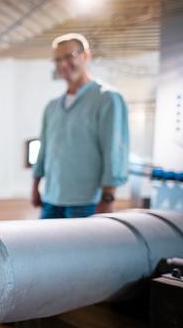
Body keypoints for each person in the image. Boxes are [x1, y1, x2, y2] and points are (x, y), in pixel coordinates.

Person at [31, 33, 130, 219]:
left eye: (69, 56)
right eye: (57, 59)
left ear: (85, 56)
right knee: (46, 248)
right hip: (51, 200)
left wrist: (108, 197)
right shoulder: (52, 106)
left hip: (87, 203)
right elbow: (44, 148)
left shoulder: (107, 98)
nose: (62, 64)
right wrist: (35, 186)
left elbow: (114, 150)